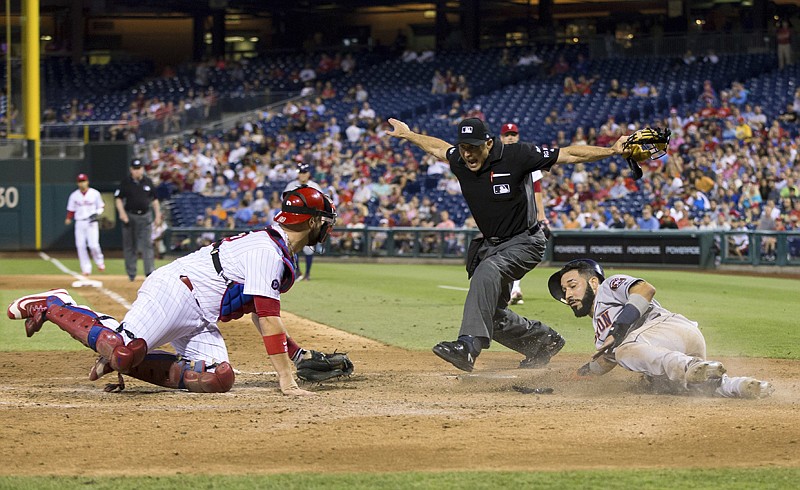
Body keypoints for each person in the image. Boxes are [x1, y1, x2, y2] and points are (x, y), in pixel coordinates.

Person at [7, 185, 338, 396]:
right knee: (123, 348)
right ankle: (53, 304)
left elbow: (255, 307)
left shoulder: (274, 249)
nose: (327, 227)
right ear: (310, 222)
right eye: (324, 220)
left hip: (201, 319)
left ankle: (122, 361)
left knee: (217, 378)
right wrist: (287, 380)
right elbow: (268, 319)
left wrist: (295, 353)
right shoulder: (267, 251)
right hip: (176, 290)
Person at [387, 116, 630, 372]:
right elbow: (437, 147)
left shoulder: (517, 155)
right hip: (491, 245)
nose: (467, 153)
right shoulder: (459, 159)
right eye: (463, 147)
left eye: (474, 146)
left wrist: (612, 150)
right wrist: (409, 134)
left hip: (526, 241)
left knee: (488, 271)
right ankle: (542, 341)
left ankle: (468, 345)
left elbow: (570, 154)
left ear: (489, 144)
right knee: (487, 311)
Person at [547, 259, 773, 398]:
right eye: (564, 291)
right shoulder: (600, 331)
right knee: (672, 385)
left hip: (670, 328)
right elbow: (607, 360)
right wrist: (577, 375)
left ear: (593, 282)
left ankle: (690, 365)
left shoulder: (608, 286)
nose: (567, 295)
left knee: (625, 350)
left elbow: (645, 289)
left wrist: (618, 331)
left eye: (572, 285)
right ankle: (741, 386)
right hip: (668, 349)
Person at [498, 122, 550, 306]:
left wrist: (541, 216)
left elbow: (537, 190)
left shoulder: (527, 157)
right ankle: (511, 288)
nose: (510, 137)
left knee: (519, 251)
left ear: (518, 137)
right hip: (502, 214)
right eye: (507, 134)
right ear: (501, 138)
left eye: (513, 134)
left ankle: (514, 288)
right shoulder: (494, 158)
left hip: (523, 215)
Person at [114, 159, 162, 281]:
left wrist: (157, 216)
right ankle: (131, 274)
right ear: (131, 169)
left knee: (147, 245)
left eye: (139, 168)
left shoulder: (148, 181)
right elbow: (118, 199)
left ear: (142, 169)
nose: (137, 171)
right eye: (135, 168)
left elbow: (155, 200)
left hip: (145, 216)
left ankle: (149, 273)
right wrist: (122, 213)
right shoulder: (126, 182)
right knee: (130, 245)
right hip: (130, 217)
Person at [283, 163, 323, 280]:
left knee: (308, 248)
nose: (302, 175)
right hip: (295, 221)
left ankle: (307, 274)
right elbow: (285, 202)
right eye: (300, 173)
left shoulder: (314, 186)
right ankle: (297, 271)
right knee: (293, 246)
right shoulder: (291, 185)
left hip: (309, 221)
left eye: (304, 173)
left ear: (308, 174)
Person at [65, 173, 106, 276]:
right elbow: (71, 209)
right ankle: (86, 268)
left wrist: (97, 213)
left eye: (83, 181)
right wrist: (68, 218)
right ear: (77, 183)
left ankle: (100, 262)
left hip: (91, 222)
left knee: (93, 245)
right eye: (80, 181)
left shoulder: (94, 193)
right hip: (79, 222)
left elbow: (101, 206)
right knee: (80, 246)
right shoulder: (74, 195)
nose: (82, 183)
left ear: (87, 182)